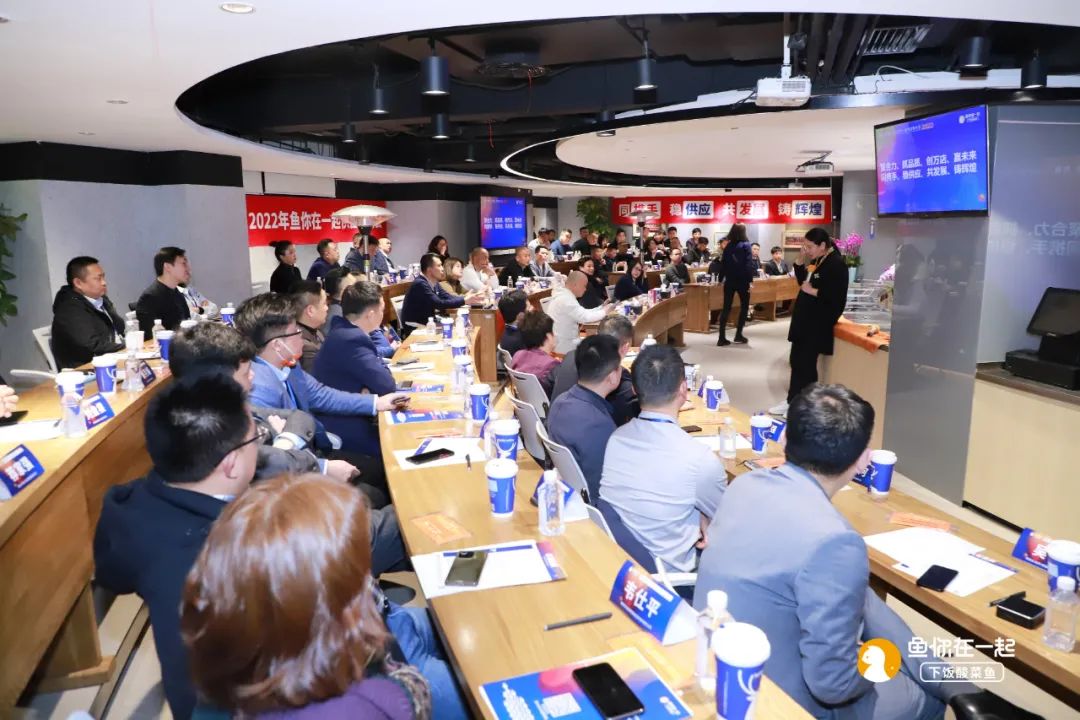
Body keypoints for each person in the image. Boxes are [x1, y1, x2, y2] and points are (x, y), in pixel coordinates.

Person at [694, 384, 1033, 720]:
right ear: (862, 461)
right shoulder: (835, 541)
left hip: (717, 656)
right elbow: (834, 685)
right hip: (773, 696)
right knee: (921, 698)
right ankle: (951, 692)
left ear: (783, 438)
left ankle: (959, 688)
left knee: (865, 599)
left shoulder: (745, 485)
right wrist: (884, 656)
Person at [181, 474, 469, 720]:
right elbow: (405, 692)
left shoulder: (226, 678)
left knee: (460, 616)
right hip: (390, 660)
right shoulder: (374, 705)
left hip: (388, 631)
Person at [167, 323, 368, 487]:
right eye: (246, 373)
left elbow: (298, 417)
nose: (253, 377)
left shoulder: (230, 407)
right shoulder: (206, 436)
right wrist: (289, 452)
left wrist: (285, 441)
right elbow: (265, 467)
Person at [235, 293, 406, 485]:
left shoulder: (288, 365)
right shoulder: (258, 389)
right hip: (295, 475)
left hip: (313, 451)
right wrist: (324, 468)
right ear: (277, 345)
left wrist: (376, 402)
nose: (301, 336)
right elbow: (271, 462)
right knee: (380, 480)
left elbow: (322, 395)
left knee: (381, 468)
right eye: (295, 332)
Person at [600, 344, 726, 572]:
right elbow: (726, 522)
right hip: (671, 576)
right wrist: (703, 516)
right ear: (684, 389)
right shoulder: (700, 460)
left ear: (635, 390)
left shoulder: (616, 439)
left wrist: (700, 514)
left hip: (621, 562)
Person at [771, 228, 850, 417]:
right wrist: (800, 259)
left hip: (817, 323)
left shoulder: (836, 264)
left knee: (806, 366)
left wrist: (813, 291)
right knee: (796, 362)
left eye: (809, 246)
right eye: (804, 246)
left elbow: (837, 297)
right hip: (804, 321)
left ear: (822, 245)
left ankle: (805, 405)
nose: (807, 250)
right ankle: (792, 400)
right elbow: (803, 282)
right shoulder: (818, 260)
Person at [312, 282, 397, 457]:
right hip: (346, 424)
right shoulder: (353, 339)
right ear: (370, 314)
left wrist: (368, 388)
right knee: (397, 448)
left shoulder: (342, 329)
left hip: (349, 413)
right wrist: (370, 388)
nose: (383, 314)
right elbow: (386, 384)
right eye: (382, 310)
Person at [547, 335, 623, 500]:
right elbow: (605, 487)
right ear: (612, 377)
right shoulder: (599, 425)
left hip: (567, 492)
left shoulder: (560, 402)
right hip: (593, 504)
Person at [552, 314, 639, 426]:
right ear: (625, 348)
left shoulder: (570, 356)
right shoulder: (618, 379)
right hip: (592, 431)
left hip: (555, 426)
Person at [50, 256, 125, 369]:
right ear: (78, 283)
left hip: (110, 358)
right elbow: (92, 345)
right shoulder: (69, 309)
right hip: (85, 369)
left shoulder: (100, 300)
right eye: (98, 278)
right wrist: (126, 346)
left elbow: (119, 328)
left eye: (103, 277)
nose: (104, 282)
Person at [401, 253, 483, 332]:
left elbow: (447, 296)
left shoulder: (434, 282)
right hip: (415, 326)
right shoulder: (420, 284)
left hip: (428, 322)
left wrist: (466, 298)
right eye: (439, 265)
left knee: (459, 327)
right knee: (455, 329)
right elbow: (439, 304)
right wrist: (464, 300)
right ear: (429, 270)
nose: (442, 269)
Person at [135, 246, 192, 337]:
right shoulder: (149, 298)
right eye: (183, 264)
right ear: (168, 267)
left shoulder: (177, 293)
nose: (188, 269)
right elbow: (150, 339)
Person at [548, 270, 609, 353]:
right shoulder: (566, 299)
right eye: (584, 286)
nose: (585, 289)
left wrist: (602, 307)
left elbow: (584, 312)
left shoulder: (565, 295)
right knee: (599, 347)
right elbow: (585, 317)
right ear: (575, 285)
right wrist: (605, 311)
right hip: (564, 346)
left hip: (567, 341)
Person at [716, 223, 755, 346]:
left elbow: (723, 264)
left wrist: (720, 279)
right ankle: (738, 334)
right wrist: (750, 280)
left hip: (730, 281)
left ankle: (721, 337)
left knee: (726, 308)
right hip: (742, 281)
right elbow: (748, 264)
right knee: (744, 307)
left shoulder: (728, 245)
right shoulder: (746, 245)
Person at [510, 311, 560, 396]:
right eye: (553, 331)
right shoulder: (552, 365)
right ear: (548, 336)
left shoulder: (517, 355)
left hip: (523, 400)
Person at [291, 280, 329, 372]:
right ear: (310, 310)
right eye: (324, 303)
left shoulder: (317, 331)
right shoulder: (305, 347)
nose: (327, 308)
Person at [322, 267, 360, 335]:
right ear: (344, 291)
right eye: (355, 286)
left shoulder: (340, 308)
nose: (360, 289)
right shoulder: (340, 316)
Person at [497, 289, 528, 363]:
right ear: (520, 316)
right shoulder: (522, 339)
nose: (532, 308)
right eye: (529, 307)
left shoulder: (506, 332)